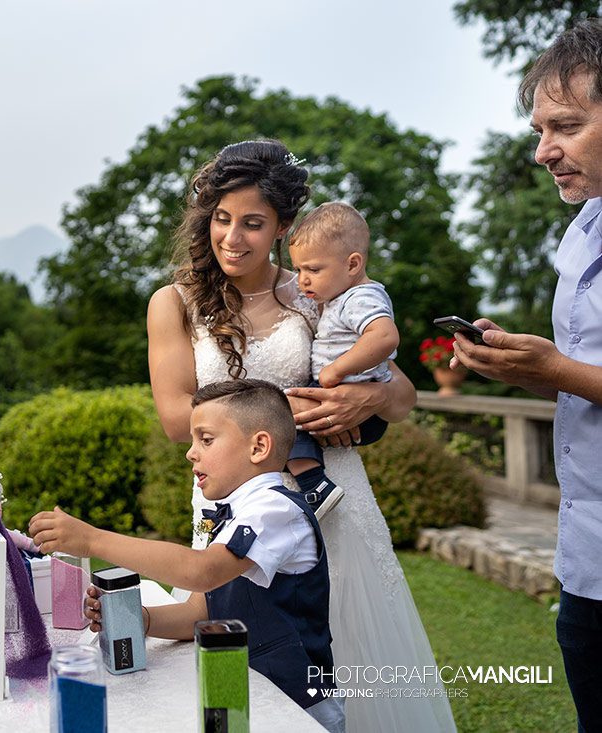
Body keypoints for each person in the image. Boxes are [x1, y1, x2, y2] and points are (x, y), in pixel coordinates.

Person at [146, 140, 455, 731]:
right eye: (221, 219)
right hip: (230, 496)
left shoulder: (312, 291)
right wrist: (274, 416)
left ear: (284, 227)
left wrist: (367, 395)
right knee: (244, 637)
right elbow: (173, 415)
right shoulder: (174, 303)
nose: (233, 238)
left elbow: (404, 397)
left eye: (254, 224)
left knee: (348, 641)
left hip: (331, 496)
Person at [31, 379, 345, 732]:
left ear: (258, 447)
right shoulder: (236, 512)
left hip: (294, 704)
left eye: (206, 440)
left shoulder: (275, 510)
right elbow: (202, 611)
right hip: (240, 695)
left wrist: (92, 540)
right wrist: (140, 619)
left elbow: (202, 572)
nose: (190, 452)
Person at [451, 19, 602, 731]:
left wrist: (561, 367)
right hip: (588, 558)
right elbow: (583, 376)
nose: (544, 151)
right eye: (539, 128)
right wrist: (528, 367)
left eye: (565, 126)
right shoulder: (582, 229)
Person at [285, 202, 399, 518]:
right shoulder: (340, 298)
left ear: (352, 264)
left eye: (313, 270)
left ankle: (314, 486)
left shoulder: (361, 297)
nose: (302, 280)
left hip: (352, 392)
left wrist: (336, 370)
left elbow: (385, 337)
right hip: (344, 390)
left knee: (281, 418)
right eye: (298, 270)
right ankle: (314, 484)